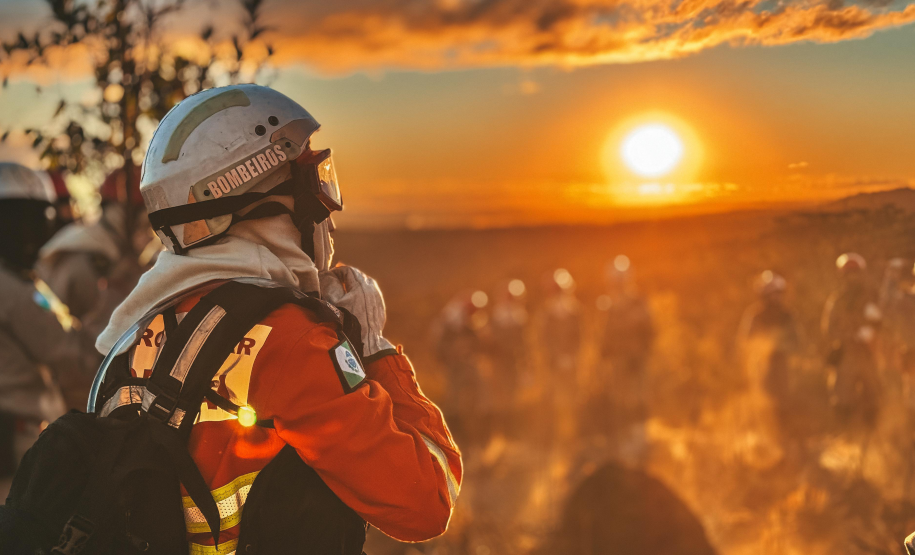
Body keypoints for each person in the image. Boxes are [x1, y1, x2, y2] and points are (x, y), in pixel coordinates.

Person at [92, 85, 461, 553]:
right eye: (311, 180)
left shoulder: (130, 333)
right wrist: (373, 348)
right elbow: (428, 500)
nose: (324, 202)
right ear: (263, 197)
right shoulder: (291, 341)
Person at [0, 162, 101, 485]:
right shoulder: (12, 289)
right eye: (18, 219)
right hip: (18, 442)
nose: (31, 230)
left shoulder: (19, 280)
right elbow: (70, 356)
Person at [37, 166, 155, 323]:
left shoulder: (127, 258)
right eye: (144, 224)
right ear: (122, 214)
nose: (150, 236)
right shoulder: (83, 262)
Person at [590, 255, 654, 464]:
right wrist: (602, 359)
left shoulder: (638, 302)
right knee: (619, 403)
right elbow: (605, 337)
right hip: (617, 365)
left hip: (635, 362)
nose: (616, 285)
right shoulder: (609, 305)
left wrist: (641, 354)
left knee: (636, 400)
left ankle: (639, 441)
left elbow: (649, 331)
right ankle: (622, 444)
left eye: (619, 282)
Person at [736, 271, 802, 462]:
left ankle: (787, 449)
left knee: (784, 408)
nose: (776, 297)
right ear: (763, 295)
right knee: (762, 409)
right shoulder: (755, 315)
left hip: (782, 368)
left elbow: (796, 342)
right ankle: (763, 450)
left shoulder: (787, 316)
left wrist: (779, 348)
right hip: (760, 369)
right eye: (772, 294)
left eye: (779, 293)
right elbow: (744, 342)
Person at [821, 253, 881, 452]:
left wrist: (873, 329)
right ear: (842, 277)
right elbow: (829, 329)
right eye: (848, 275)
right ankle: (845, 439)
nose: (852, 278)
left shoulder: (873, 297)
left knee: (873, 395)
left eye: (855, 274)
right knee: (842, 398)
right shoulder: (837, 301)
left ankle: (874, 439)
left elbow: (885, 323)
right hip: (847, 354)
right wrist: (852, 335)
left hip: (868, 354)